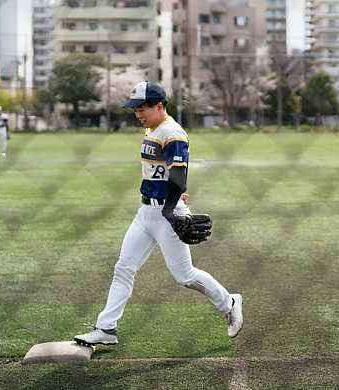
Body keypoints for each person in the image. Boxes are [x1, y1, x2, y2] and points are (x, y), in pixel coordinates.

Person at [74, 81, 242, 347]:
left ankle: (229, 302)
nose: (138, 114)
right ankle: (106, 328)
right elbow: (163, 173)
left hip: (168, 213)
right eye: (135, 109)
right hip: (145, 213)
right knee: (124, 268)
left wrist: (171, 207)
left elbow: (178, 174)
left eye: (143, 108)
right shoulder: (152, 128)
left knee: (184, 276)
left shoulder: (172, 132)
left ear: (159, 105)